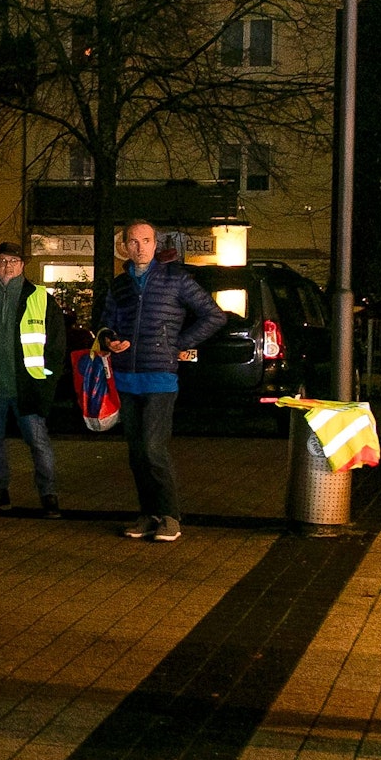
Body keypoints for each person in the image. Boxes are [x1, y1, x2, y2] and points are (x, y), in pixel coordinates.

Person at [98, 220, 225, 543]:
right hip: (126, 378)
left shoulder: (176, 279)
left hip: (160, 378)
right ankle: (148, 514)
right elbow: (105, 324)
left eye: (145, 240)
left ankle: (170, 516)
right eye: (133, 241)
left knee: (153, 449)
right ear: (124, 246)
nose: (139, 247)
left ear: (156, 244)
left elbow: (215, 316)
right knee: (136, 452)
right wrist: (111, 340)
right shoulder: (120, 285)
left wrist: (179, 343)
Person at [0, 242, 66, 519]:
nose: (7, 266)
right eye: (3, 260)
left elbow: (56, 346)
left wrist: (47, 381)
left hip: (28, 386)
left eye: (14, 261)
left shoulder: (42, 297)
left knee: (39, 444)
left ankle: (49, 496)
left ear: (23, 265)